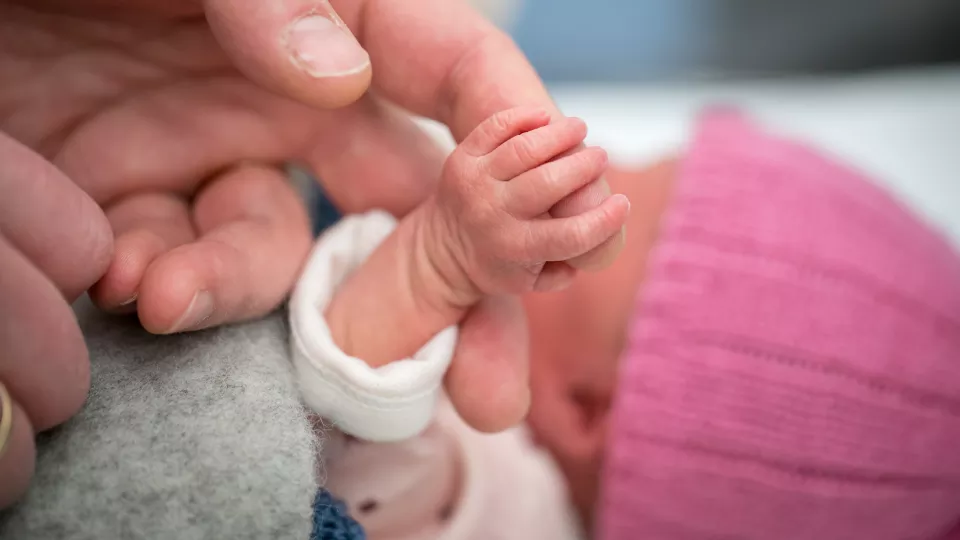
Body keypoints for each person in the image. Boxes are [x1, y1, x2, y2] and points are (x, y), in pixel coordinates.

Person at [0, 0, 624, 508]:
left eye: (631, 205)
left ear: (588, 407)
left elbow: (351, 401)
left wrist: (442, 263)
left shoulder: (508, 500)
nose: (602, 167)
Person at [291, 108, 960, 539]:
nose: (595, 155)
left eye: (573, 233)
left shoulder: (495, 500)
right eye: (633, 161)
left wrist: (433, 267)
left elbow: (345, 451)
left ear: (583, 409)